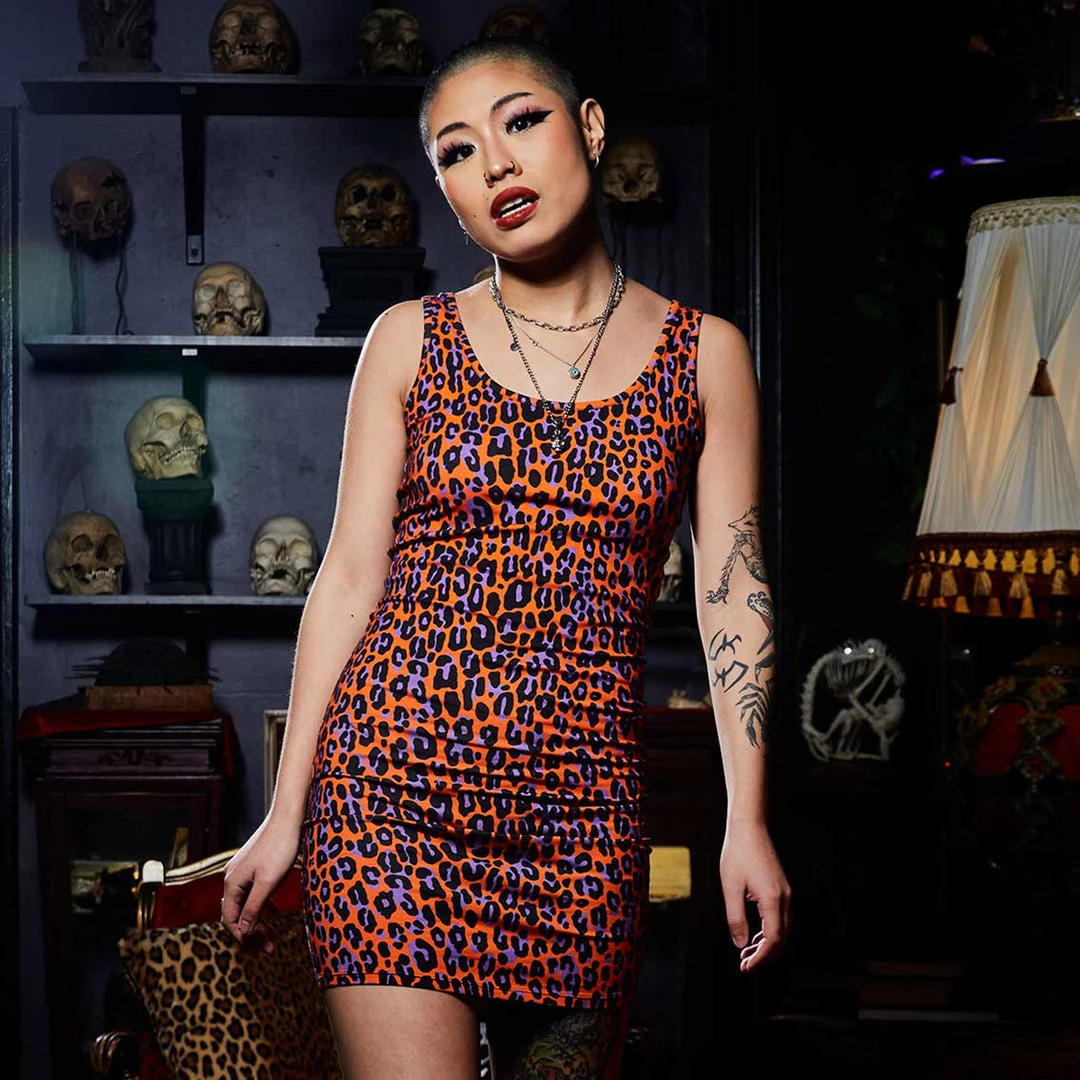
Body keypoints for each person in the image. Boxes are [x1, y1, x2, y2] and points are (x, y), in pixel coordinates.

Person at [220, 34, 791, 1080]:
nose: (495, 163)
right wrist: (286, 813)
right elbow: (347, 579)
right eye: (456, 150)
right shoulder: (409, 339)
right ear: (444, 188)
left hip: (583, 824)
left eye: (522, 120)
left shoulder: (706, 356)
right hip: (390, 811)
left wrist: (745, 819)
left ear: (592, 128)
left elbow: (732, 593)